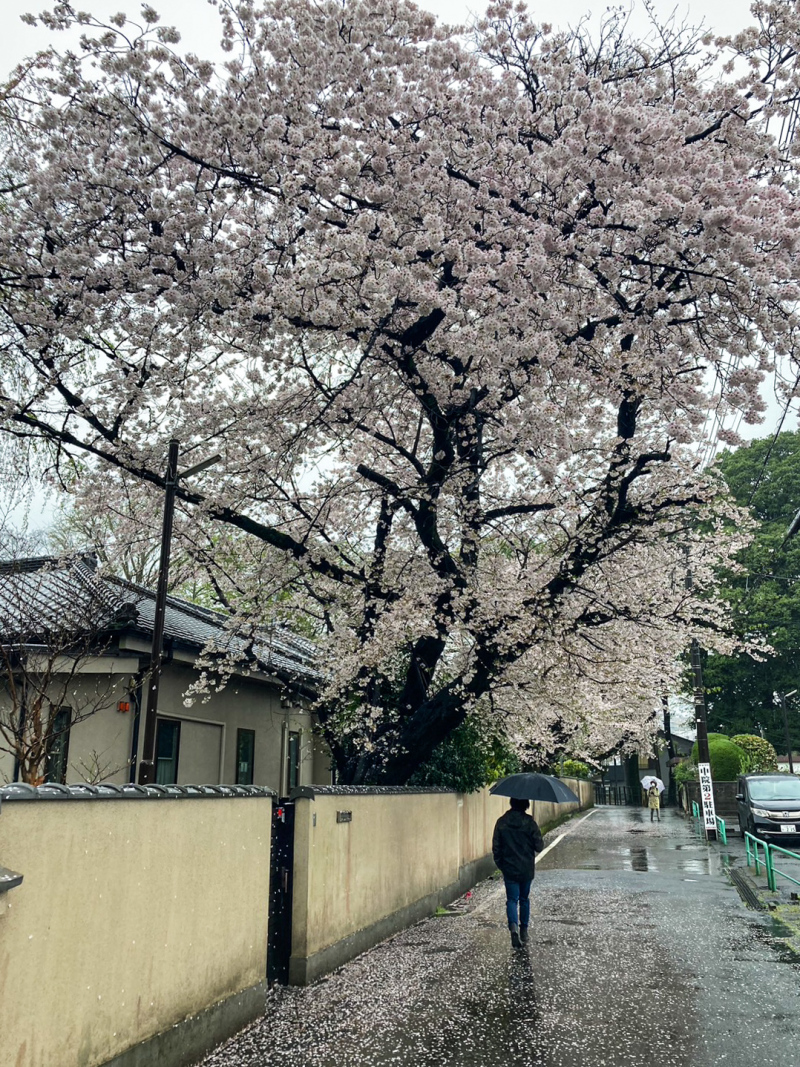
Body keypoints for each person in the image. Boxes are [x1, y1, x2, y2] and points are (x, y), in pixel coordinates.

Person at [492, 798, 544, 949]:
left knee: (512, 900)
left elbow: (496, 848)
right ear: (526, 805)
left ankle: (513, 927)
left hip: (509, 868)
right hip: (526, 868)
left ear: (511, 803)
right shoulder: (530, 823)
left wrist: (502, 866)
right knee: (524, 899)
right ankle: (524, 931)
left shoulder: (501, 822)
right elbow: (539, 846)